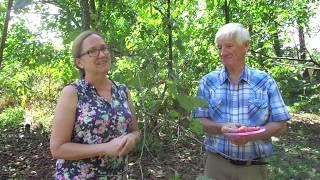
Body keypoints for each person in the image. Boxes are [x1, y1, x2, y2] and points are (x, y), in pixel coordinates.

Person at [192, 23, 290, 180]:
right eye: (219, 47)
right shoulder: (208, 82)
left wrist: (250, 135)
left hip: (253, 168)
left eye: (228, 46)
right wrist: (222, 128)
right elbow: (198, 121)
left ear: (246, 46)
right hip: (216, 164)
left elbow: (281, 125)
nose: (223, 52)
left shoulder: (264, 81)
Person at [50, 30, 140, 179]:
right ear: (79, 62)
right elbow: (57, 149)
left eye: (104, 48)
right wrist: (105, 148)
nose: (102, 54)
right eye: (92, 51)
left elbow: (135, 131)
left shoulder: (122, 90)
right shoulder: (72, 92)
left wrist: (132, 139)